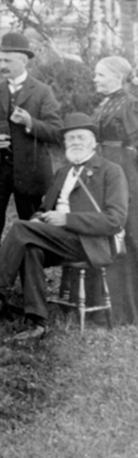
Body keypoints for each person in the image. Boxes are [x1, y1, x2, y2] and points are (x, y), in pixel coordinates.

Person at [0, 113, 129, 342]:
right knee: (29, 248)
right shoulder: (63, 172)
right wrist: (38, 219)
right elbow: (45, 209)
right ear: (64, 143)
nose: (75, 142)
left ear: (94, 142)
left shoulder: (111, 171)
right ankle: (38, 323)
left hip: (89, 243)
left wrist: (67, 220)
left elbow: (115, 220)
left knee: (21, 229)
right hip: (58, 238)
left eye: (81, 137)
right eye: (70, 138)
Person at [0, 32, 62, 245]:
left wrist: (30, 122)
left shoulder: (42, 92)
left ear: (23, 61)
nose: (2, 65)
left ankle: (31, 273)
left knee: (31, 225)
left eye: (7, 60)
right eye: (0, 60)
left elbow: (56, 132)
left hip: (31, 171)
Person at [92, 55, 138, 324]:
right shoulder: (105, 103)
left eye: (100, 75)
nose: (95, 79)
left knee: (128, 236)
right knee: (107, 234)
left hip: (125, 176)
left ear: (117, 77)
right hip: (102, 173)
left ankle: (128, 311)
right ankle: (110, 308)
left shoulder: (131, 104)